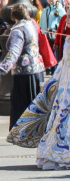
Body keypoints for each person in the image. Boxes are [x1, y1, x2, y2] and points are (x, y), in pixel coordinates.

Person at [8, 35, 70, 170]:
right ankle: (60, 153)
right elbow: (63, 65)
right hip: (65, 90)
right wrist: (51, 82)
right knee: (61, 122)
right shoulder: (68, 39)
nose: (68, 20)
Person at [0, 3, 45, 129]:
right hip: (37, 68)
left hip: (23, 72)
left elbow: (14, 52)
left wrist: (1, 69)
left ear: (13, 16)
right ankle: (36, 129)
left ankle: (20, 130)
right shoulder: (32, 24)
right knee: (35, 102)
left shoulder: (18, 30)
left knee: (22, 103)